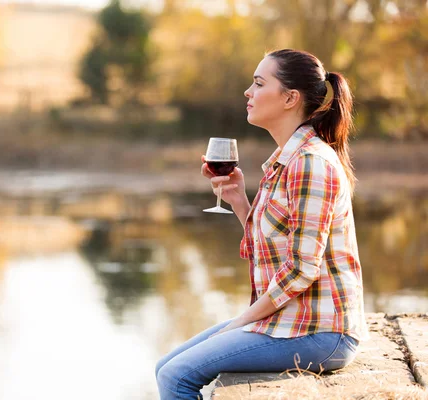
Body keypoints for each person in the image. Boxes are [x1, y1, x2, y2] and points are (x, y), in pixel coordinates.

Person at [155, 49, 369, 400]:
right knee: (166, 367)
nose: (247, 92)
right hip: (291, 323)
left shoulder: (310, 163)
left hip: (321, 333)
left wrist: (242, 321)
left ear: (289, 98)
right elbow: (275, 245)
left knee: (177, 377)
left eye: (258, 83)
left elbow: (301, 269)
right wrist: (239, 199)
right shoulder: (285, 160)